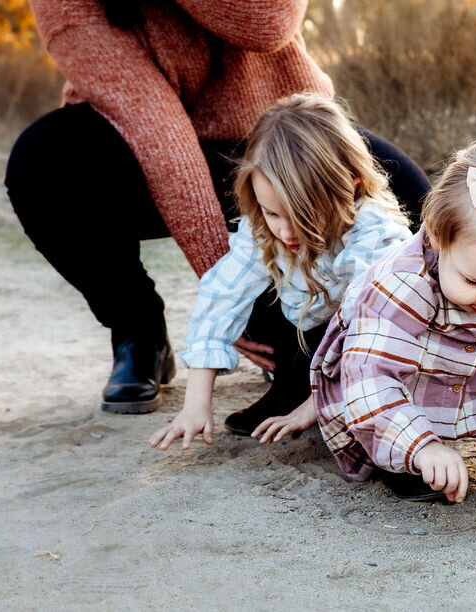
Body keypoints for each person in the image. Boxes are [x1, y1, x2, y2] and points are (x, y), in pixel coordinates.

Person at [5, 0, 430, 415]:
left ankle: (405, 355)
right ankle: (139, 332)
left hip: (287, 137)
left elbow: (267, 23)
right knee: (40, 164)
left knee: (417, 207)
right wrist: (235, 301)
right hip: (140, 143)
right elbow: (156, 127)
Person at [253, 138, 476, 502]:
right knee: (401, 398)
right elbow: (370, 377)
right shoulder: (402, 286)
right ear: (438, 236)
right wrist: (421, 448)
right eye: (474, 281)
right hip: (408, 373)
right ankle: (408, 461)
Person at [148, 93, 412, 450]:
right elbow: (222, 296)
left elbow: (371, 325)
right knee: (257, 295)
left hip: (378, 346)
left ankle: (321, 397)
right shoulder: (262, 229)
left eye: (303, 216)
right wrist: (195, 404)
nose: (287, 233)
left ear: (348, 183)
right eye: (273, 213)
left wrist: (314, 407)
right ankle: (292, 383)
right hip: (305, 332)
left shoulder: (374, 231)